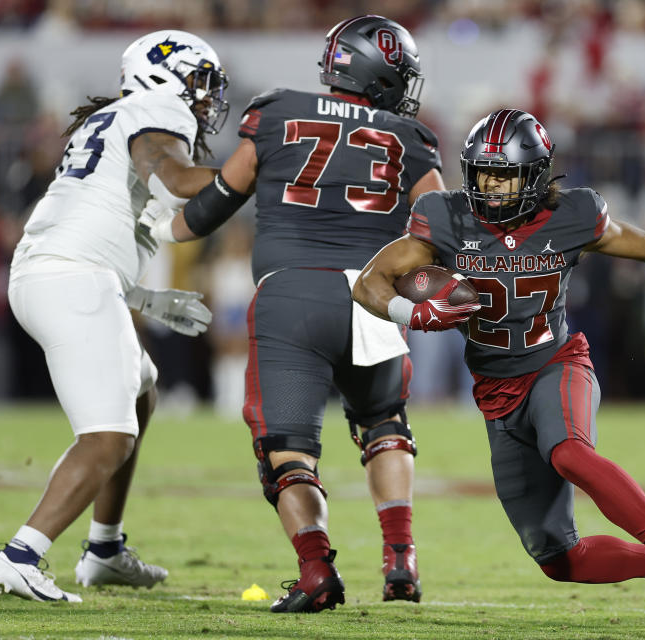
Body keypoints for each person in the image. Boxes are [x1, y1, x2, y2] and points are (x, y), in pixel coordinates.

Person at [352, 108, 645, 632]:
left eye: (503, 176)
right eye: (481, 175)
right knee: (558, 559)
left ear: (535, 176)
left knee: (569, 452)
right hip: (495, 391)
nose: (490, 189)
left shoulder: (573, 215)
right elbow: (370, 281)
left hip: (555, 364)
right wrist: (410, 311)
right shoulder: (444, 217)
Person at [140, 15, 444, 612]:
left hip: (290, 298)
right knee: (385, 424)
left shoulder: (276, 112)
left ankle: (315, 572)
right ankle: (400, 559)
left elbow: (217, 200)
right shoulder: (410, 136)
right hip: (372, 295)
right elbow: (440, 221)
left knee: (286, 449)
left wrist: (159, 230)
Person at [0, 30, 229, 603]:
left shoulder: (120, 116)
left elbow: (100, 224)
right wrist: (257, 173)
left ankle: (104, 549)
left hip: (53, 271)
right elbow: (171, 182)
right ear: (167, 77)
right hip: (70, 278)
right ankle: (21, 556)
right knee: (109, 438)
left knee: (141, 389)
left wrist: (141, 299)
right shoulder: (158, 108)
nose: (207, 98)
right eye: (201, 82)